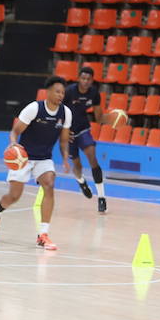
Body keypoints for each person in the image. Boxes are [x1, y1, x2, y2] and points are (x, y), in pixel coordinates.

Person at [0, 75, 73, 251]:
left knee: (49, 185)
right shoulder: (34, 108)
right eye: (57, 91)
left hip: (44, 158)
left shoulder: (65, 113)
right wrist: (13, 143)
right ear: (48, 92)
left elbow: (64, 140)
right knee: (14, 196)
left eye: (63, 92)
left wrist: (65, 158)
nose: (60, 95)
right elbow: (15, 131)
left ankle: (43, 235)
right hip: (23, 158)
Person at [65, 66, 108, 214]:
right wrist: (63, 131)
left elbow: (99, 117)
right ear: (78, 79)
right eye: (83, 78)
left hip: (83, 129)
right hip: (68, 132)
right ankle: (82, 182)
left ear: (92, 80)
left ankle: (101, 197)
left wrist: (112, 120)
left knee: (92, 158)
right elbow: (58, 111)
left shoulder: (94, 93)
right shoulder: (69, 92)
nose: (85, 81)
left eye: (88, 79)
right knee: (77, 165)